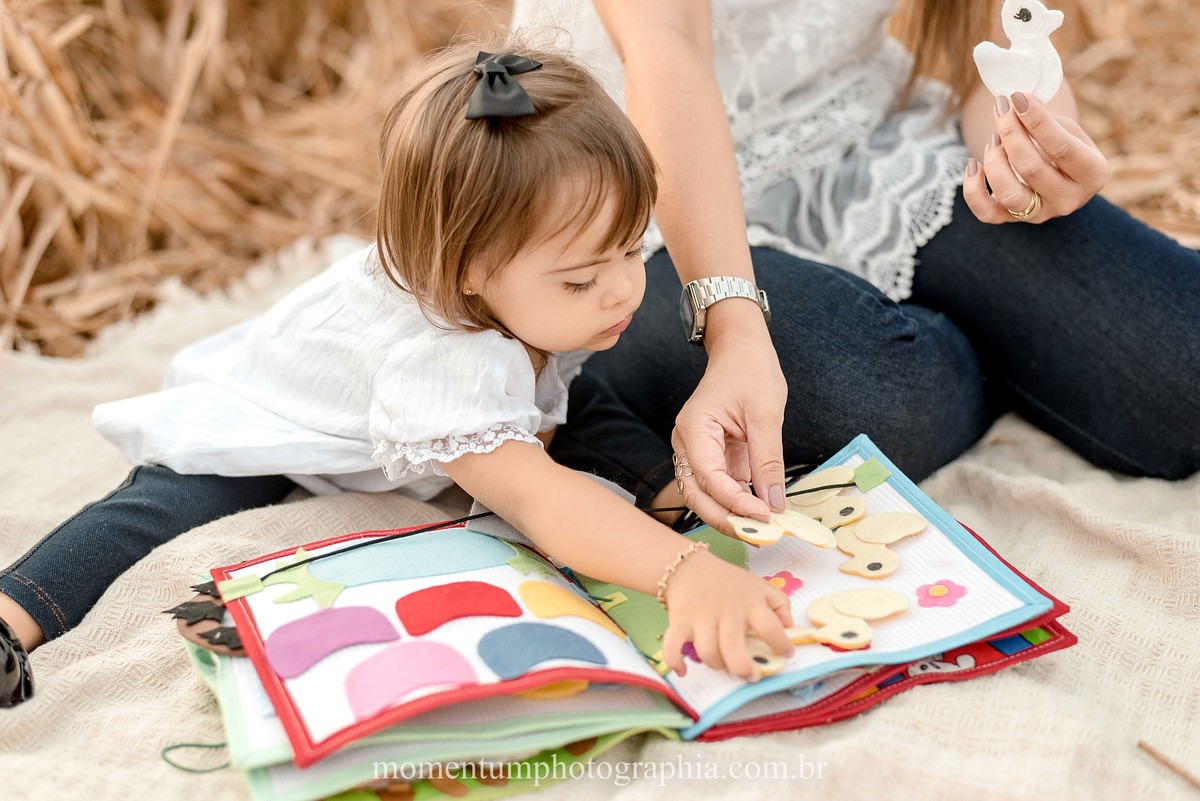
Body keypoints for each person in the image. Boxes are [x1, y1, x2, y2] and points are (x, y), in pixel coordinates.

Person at [0, 41, 799, 708]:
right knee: (164, 499)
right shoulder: (446, 355)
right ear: (471, 272)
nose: (625, 287)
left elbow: (553, 404)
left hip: (487, 373)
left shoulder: (537, 287)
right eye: (584, 278)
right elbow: (538, 498)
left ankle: (672, 489)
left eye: (631, 247)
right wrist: (680, 573)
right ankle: (15, 614)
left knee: (588, 408)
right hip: (273, 421)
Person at [506, 0, 1200, 531]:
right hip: (634, 183)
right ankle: (993, 352)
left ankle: (964, 349)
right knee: (875, 401)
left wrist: (1029, 155)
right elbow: (668, 49)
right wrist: (735, 332)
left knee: (1181, 372)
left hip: (856, 138)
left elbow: (983, 39)